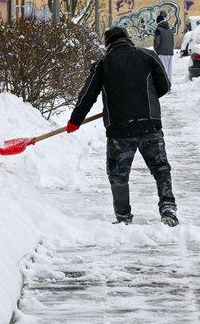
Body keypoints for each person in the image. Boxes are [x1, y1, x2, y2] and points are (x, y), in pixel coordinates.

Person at [67, 26, 178, 227]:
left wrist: (75, 120)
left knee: (118, 175)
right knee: (161, 168)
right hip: (149, 125)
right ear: (127, 39)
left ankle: (124, 217)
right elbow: (165, 86)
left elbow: (87, 97)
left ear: (107, 44)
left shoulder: (102, 64)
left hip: (119, 129)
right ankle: (168, 208)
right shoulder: (148, 56)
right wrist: (147, 99)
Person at [153, 14, 174, 81]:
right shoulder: (170, 30)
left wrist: (156, 49)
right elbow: (172, 41)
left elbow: (157, 42)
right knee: (169, 70)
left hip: (162, 52)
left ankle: (165, 86)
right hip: (170, 52)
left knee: (163, 69)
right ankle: (169, 85)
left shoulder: (158, 30)